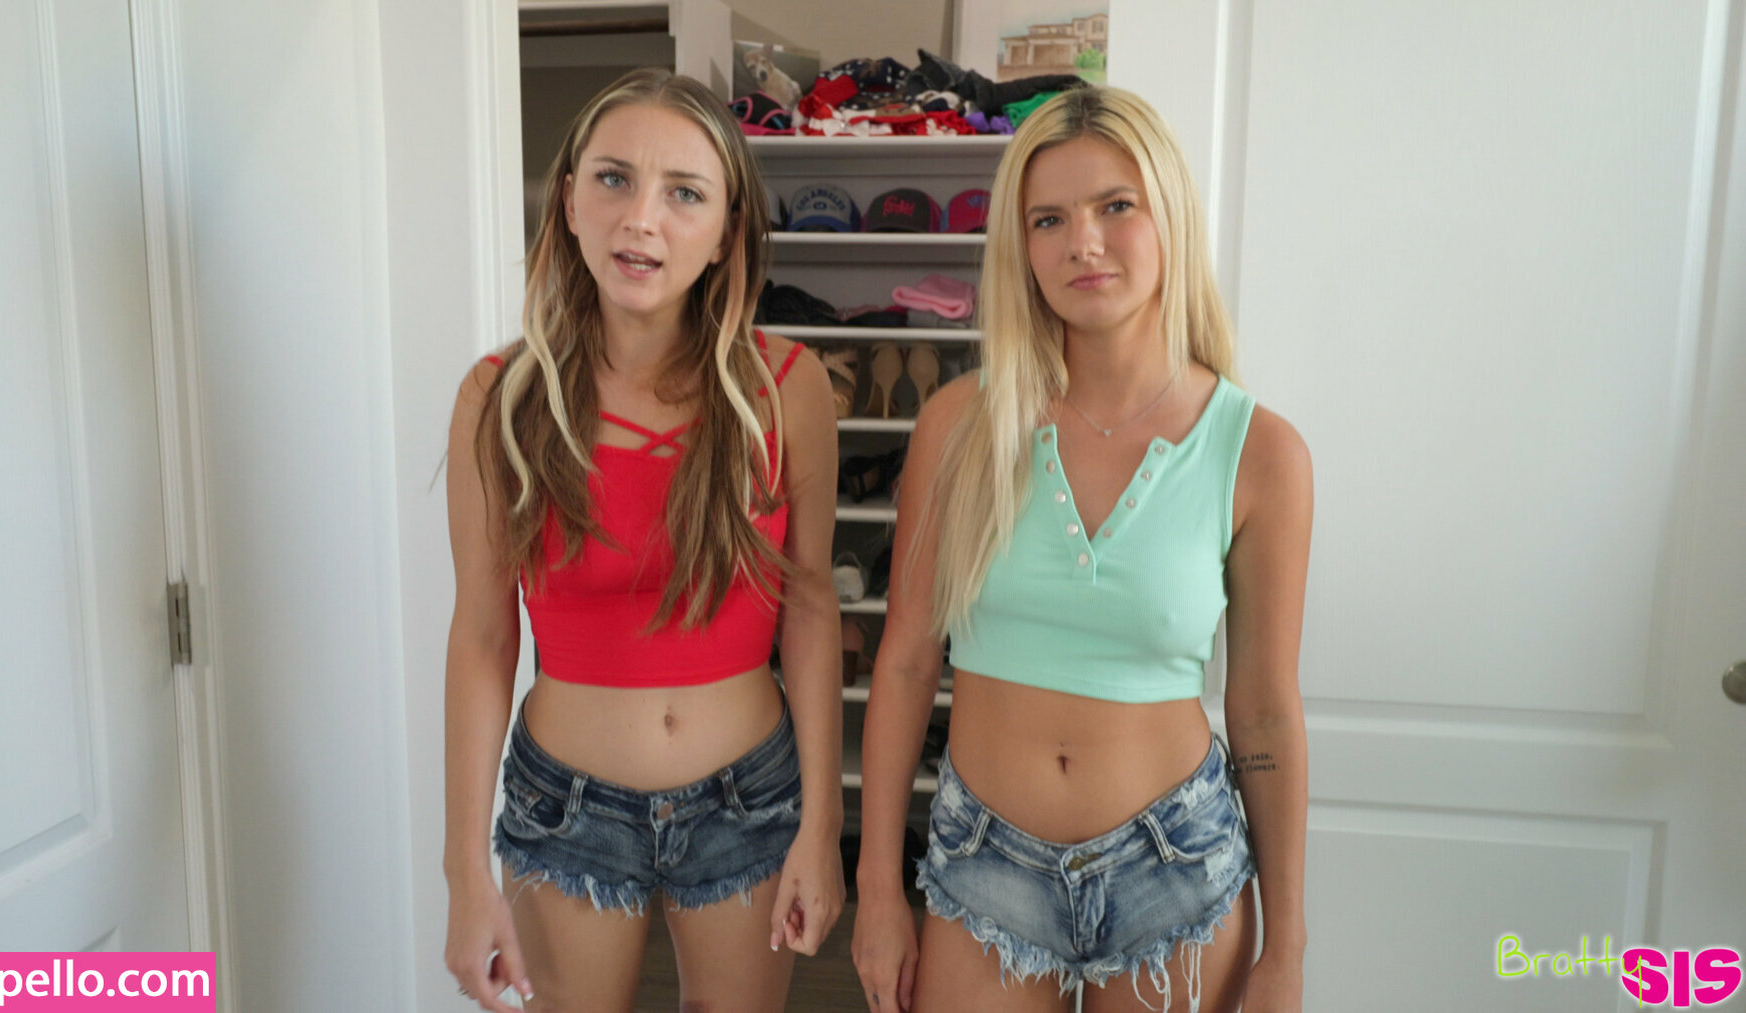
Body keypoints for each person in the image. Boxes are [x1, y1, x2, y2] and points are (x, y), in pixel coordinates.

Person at [851, 85, 1311, 1013]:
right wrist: (875, 889)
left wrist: (1286, 944)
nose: (1083, 243)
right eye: (1049, 219)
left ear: (1169, 215)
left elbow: (1263, 711)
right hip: (982, 862)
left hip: (1176, 871)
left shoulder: (1260, 452)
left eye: (1115, 206)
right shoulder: (959, 425)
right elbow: (902, 663)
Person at [442, 68, 843, 1013]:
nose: (641, 219)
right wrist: (463, 870)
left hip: (749, 796)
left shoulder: (789, 387)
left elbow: (812, 609)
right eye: (614, 178)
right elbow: (483, 636)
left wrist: (823, 825)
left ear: (727, 233)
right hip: (564, 804)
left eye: (684, 193)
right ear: (568, 201)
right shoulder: (499, 398)